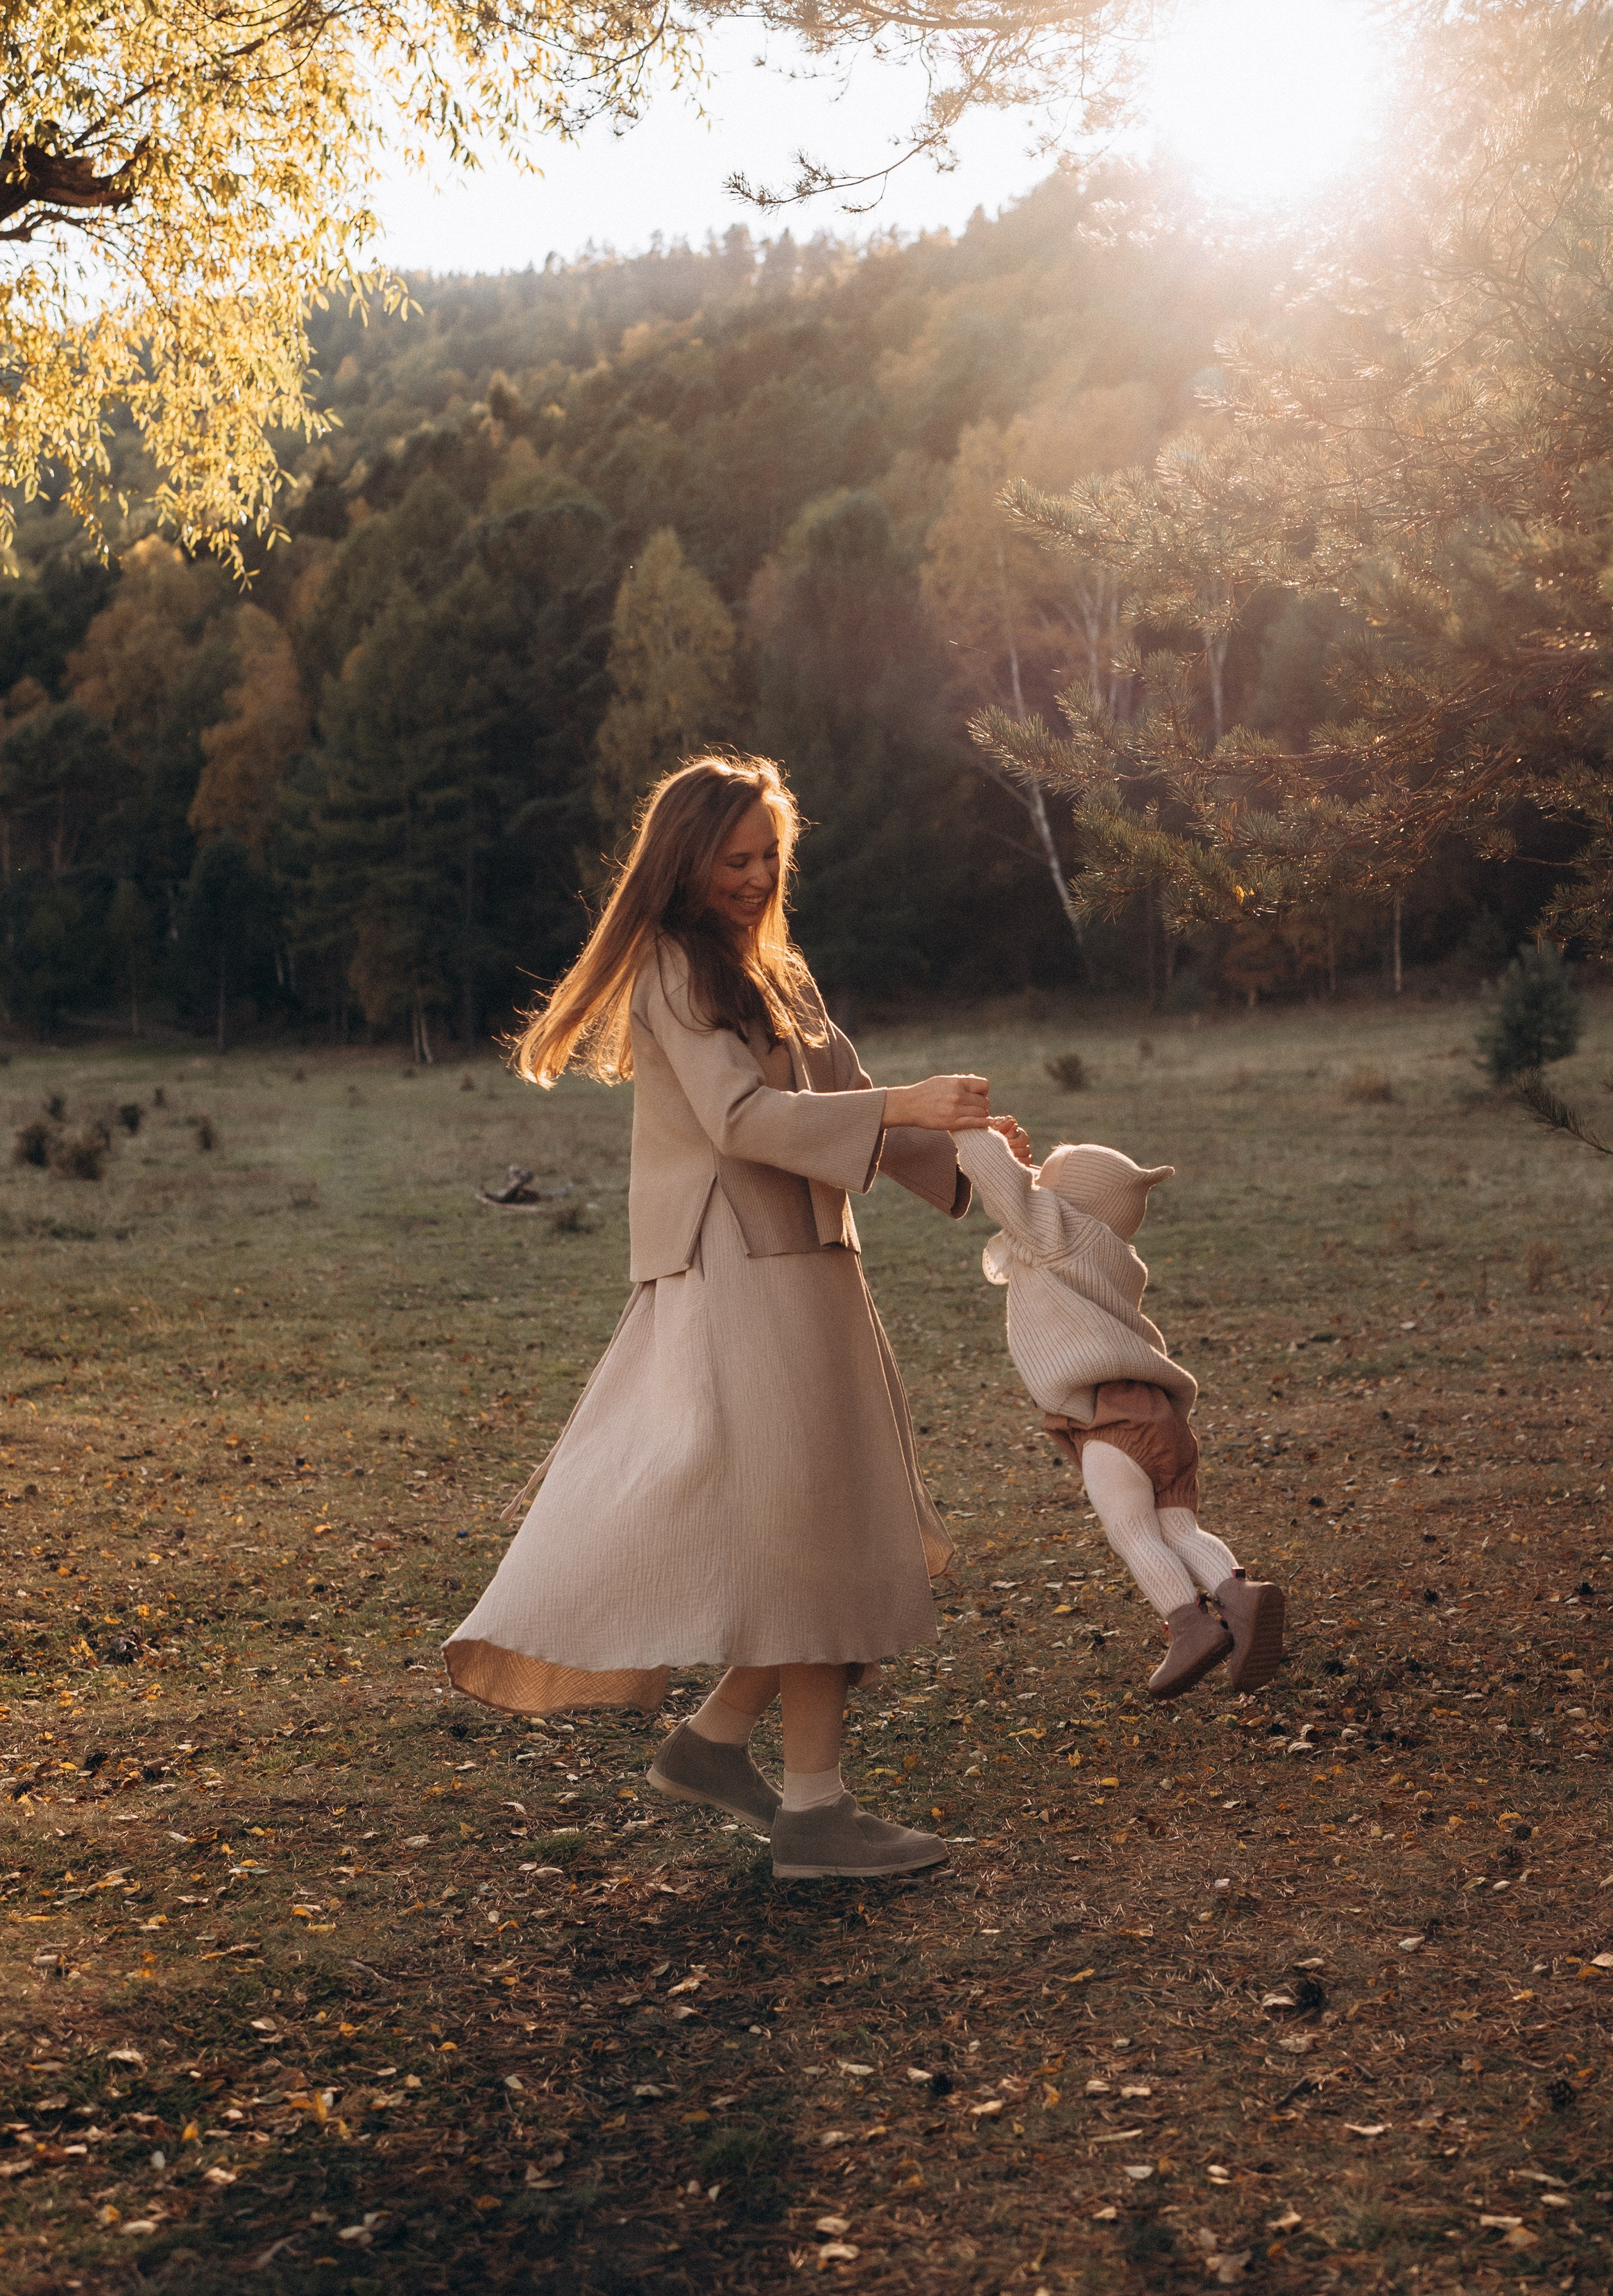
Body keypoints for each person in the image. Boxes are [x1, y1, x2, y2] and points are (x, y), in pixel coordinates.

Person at [445, 753, 996, 1880]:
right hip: (733, 1281)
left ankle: (721, 1750)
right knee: (806, 1530)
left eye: (768, 857)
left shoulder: (773, 969)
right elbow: (745, 1117)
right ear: (686, 859)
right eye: (735, 858)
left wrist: (975, 1172)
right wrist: (903, 1103)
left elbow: (842, 1095)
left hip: (811, 1273)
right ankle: (811, 1812)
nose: (753, 876)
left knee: (822, 1525)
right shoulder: (668, 970)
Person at [954, 1124, 1286, 1697]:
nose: (1032, 1184)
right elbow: (1024, 1189)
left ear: (1068, 1204)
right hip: (1161, 1415)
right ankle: (1239, 1596)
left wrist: (964, 1125)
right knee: (1178, 1527)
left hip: (1109, 1420)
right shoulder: (1108, 1253)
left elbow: (1002, 1184)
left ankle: (1189, 1628)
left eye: (1045, 1182)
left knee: (1133, 1533)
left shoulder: (1055, 1234)